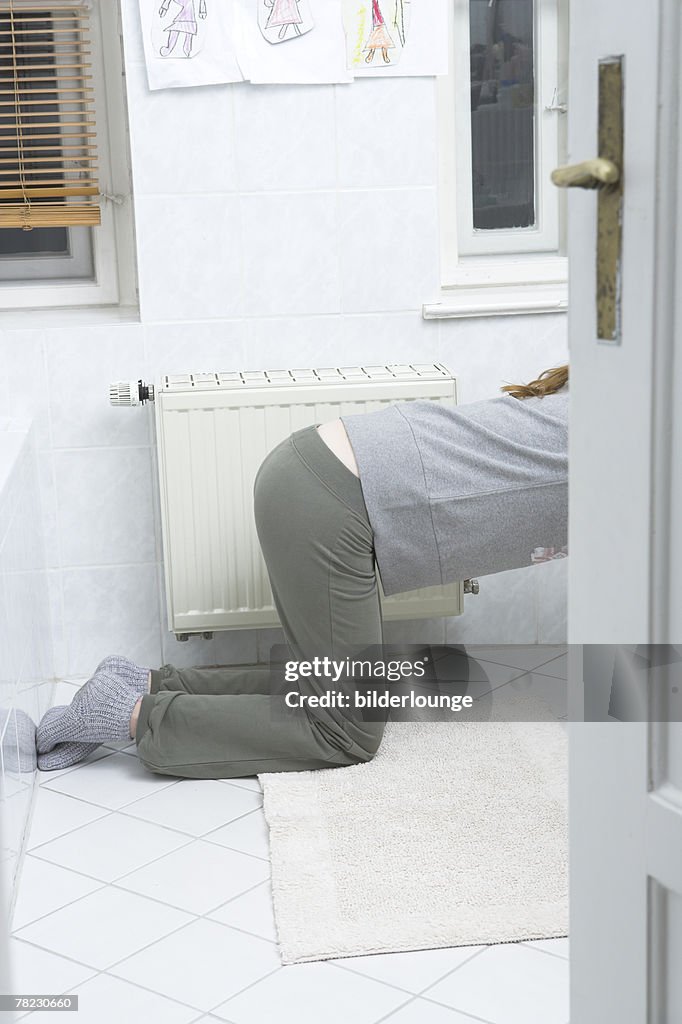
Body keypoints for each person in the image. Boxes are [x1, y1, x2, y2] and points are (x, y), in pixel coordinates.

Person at [35, 365, 569, 778]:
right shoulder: (628, 441)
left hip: (317, 477)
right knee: (345, 729)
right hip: (329, 503)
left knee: (328, 689)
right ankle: (126, 712)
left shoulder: (605, 410)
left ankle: (145, 683)